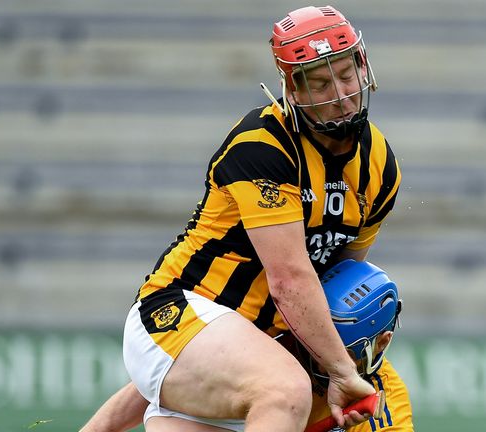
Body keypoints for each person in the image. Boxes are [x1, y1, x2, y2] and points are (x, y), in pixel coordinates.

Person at [82, 5, 402, 432]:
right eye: (322, 83)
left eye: (346, 75)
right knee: (286, 392)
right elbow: (289, 281)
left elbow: (333, 282)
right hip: (178, 309)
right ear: (293, 88)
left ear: (364, 66)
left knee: (288, 385)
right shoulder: (263, 146)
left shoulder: (380, 166)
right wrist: (342, 372)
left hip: (244, 344)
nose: (341, 95)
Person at [81, 260, 414, 432]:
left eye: (339, 348)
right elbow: (155, 387)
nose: (320, 355)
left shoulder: (384, 399)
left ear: (381, 342)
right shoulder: (274, 341)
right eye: (314, 338)